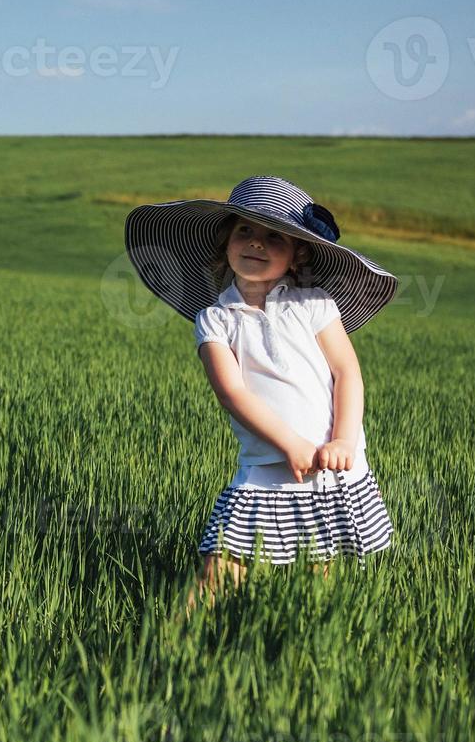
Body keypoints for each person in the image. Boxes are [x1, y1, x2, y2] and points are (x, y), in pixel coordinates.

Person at [122, 176, 400, 612]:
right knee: (221, 572)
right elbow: (232, 393)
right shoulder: (215, 319)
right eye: (245, 231)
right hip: (267, 468)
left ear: (297, 253)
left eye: (275, 236)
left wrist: (344, 440)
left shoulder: (314, 304)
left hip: (332, 465)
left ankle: (297, 656)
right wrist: (289, 444)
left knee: (318, 579)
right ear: (225, 241)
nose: (256, 244)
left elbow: (347, 372)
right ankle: (166, 651)